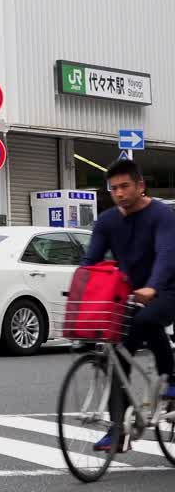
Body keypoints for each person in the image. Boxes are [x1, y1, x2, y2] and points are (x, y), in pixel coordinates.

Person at [80, 159, 175, 453]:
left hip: (168, 288)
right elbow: (91, 259)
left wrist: (153, 286)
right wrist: (79, 284)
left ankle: (172, 380)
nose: (119, 193)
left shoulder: (161, 215)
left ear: (140, 185)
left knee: (147, 320)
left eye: (125, 186)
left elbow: (166, 254)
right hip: (130, 293)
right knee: (114, 358)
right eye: (114, 188)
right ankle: (117, 429)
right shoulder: (107, 221)